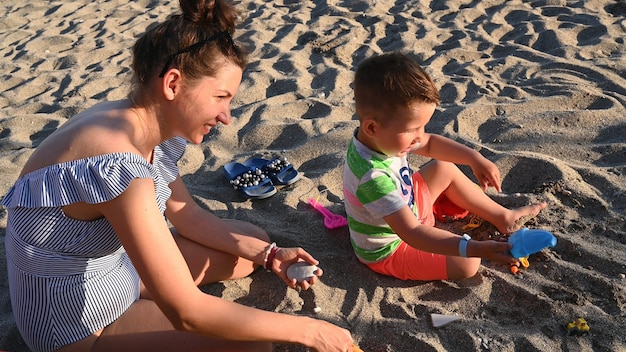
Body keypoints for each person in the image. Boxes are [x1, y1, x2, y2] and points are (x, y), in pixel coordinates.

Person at [1, 1, 354, 351]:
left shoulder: (137, 123)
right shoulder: (118, 166)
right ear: (172, 83)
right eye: (220, 97)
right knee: (250, 346)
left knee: (247, 250)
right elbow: (187, 312)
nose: (227, 116)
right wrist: (310, 331)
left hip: (114, 271)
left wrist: (271, 254)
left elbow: (188, 216)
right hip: (75, 323)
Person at [342, 52, 547, 281]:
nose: (419, 137)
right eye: (412, 129)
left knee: (443, 167)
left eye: (423, 127)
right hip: (392, 247)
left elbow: (429, 144)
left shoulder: (381, 138)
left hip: (408, 208)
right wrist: (476, 248)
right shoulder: (372, 176)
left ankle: (503, 216)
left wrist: (473, 157)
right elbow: (413, 233)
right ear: (371, 127)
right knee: (467, 263)